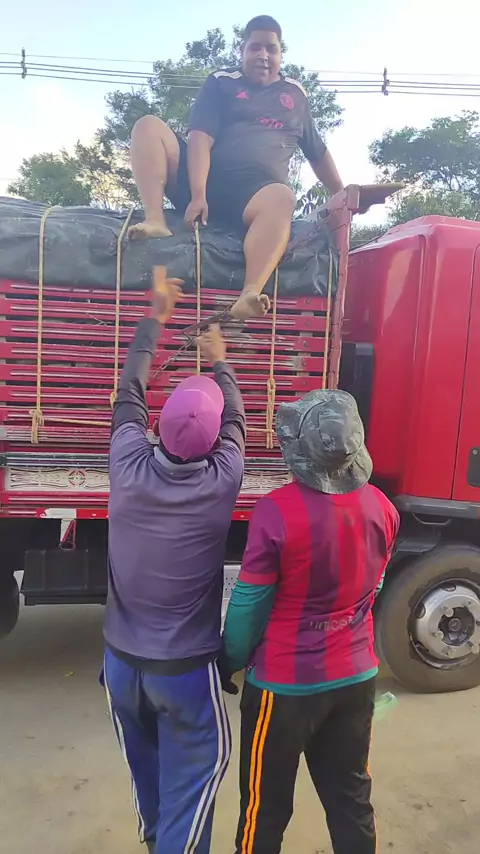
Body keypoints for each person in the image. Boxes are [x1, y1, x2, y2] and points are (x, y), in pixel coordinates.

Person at [102, 270, 246, 854]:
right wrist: (220, 360)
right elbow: (236, 420)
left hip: (119, 667)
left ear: (156, 426)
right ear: (214, 443)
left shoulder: (126, 462)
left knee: (150, 778)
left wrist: (156, 318)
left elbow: (129, 391)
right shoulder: (223, 479)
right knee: (197, 778)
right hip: (184, 672)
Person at [220, 389, 400, 854]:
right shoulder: (383, 507)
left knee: (264, 810)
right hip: (356, 677)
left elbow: (249, 604)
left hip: (284, 687)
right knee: (350, 799)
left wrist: (229, 659)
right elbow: (375, 586)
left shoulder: (275, 511)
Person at [128, 14, 343, 320]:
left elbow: (318, 153)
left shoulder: (295, 96)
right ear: (242, 50)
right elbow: (200, 138)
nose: (263, 55)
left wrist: (344, 195)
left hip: (253, 196)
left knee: (283, 197)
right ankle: (154, 219)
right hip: (203, 182)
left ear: (281, 54)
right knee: (148, 126)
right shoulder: (221, 82)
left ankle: (250, 292)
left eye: (271, 49)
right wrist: (198, 194)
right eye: (255, 47)